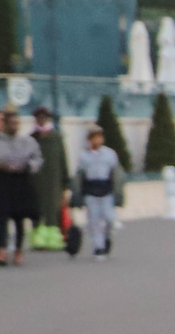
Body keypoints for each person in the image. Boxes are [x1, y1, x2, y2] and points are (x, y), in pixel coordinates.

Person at [0, 109, 41, 266]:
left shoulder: (27, 141)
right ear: (4, 124)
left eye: (16, 123)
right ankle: (1, 251)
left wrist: (26, 167)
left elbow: (37, 159)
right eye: (11, 123)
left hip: (20, 181)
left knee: (19, 218)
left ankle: (18, 251)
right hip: (1, 180)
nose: (14, 126)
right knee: (0, 217)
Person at [74, 124, 123, 261]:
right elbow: (80, 175)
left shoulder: (110, 154)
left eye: (99, 137)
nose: (97, 140)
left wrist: (118, 190)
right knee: (94, 219)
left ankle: (107, 237)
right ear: (89, 139)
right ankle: (99, 246)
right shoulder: (84, 156)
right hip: (91, 189)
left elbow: (116, 173)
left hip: (106, 188)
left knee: (109, 217)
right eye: (94, 137)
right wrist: (77, 193)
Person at [32, 108, 69, 257]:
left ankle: (54, 238)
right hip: (36, 182)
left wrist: (66, 186)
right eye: (38, 117)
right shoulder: (32, 138)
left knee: (53, 209)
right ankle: (38, 239)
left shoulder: (56, 138)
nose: (41, 120)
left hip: (54, 182)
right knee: (37, 210)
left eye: (44, 117)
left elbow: (63, 162)